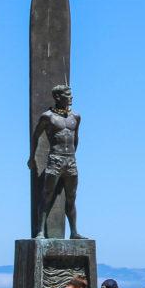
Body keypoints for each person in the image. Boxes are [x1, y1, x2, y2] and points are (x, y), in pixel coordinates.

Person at [28, 84, 87, 239]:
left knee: (71, 197)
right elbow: (36, 136)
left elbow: (76, 138)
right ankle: (40, 231)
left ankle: (74, 232)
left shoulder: (76, 117)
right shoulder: (48, 117)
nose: (71, 97)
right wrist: (32, 157)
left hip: (70, 160)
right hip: (55, 159)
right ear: (58, 97)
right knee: (47, 195)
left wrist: (72, 154)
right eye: (68, 94)